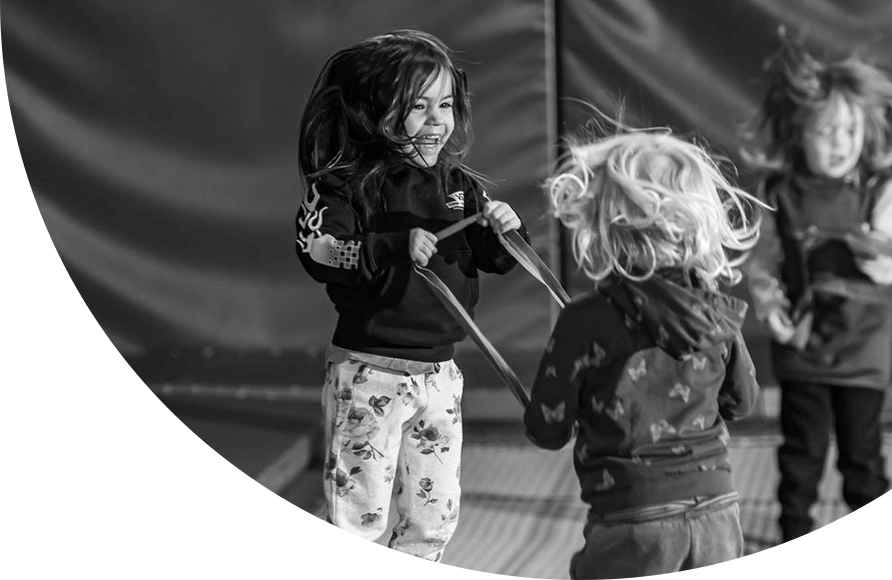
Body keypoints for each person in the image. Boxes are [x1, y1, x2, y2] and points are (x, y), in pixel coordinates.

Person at [294, 29, 527, 560]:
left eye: (445, 104)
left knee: (434, 518)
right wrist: (389, 247)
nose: (437, 120)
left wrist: (505, 232)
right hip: (368, 373)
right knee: (357, 515)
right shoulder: (344, 185)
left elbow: (495, 258)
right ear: (374, 112)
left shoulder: (459, 184)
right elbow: (318, 252)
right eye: (418, 107)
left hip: (440, 376)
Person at [524, 128, 766, 578]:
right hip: (718, 509)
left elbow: (547, 428)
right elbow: (743, 402)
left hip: (631, 516)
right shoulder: (716, 313)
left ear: (602, 224)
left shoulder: (584, 320)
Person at [741, 27, 892, 543]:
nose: (840, 143)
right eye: (825, 132)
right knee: (802, 452)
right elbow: (763, 262)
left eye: (849, 130)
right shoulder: (781, 191)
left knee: (862, 455)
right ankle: (794, 527)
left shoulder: (878, 189)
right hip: (804, 347)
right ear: (799, 132)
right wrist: (771, 306)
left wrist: (877, 252)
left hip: (863, 348)